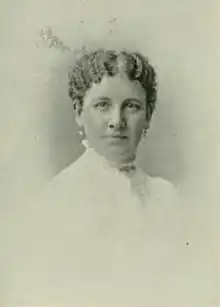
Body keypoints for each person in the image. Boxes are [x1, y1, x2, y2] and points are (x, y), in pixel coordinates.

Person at [8, 48, 184, 306]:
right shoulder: (57, 199)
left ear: (148, 115)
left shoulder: (166, 197)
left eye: (132, 107)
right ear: (79, 112)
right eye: (103, 105)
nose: (117, 121)